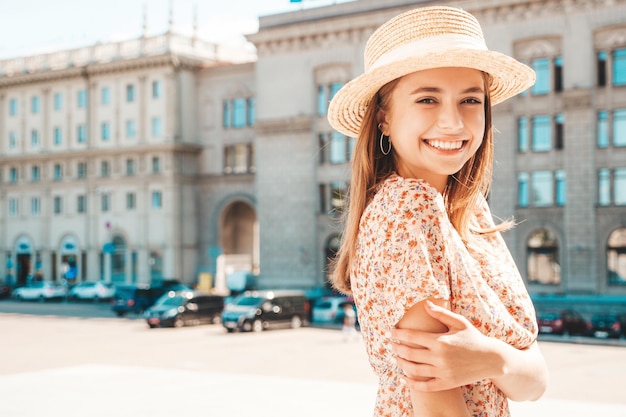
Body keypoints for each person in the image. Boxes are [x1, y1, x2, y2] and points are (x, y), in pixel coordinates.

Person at [327, 6, 548, 417]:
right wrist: (506, 363)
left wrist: (491, 359)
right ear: (383, 119)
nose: (452, 122)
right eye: (427, 99)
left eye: (470, 100)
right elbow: (441, 410)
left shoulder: (470, 210)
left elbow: (536, 381)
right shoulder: (405, 210)